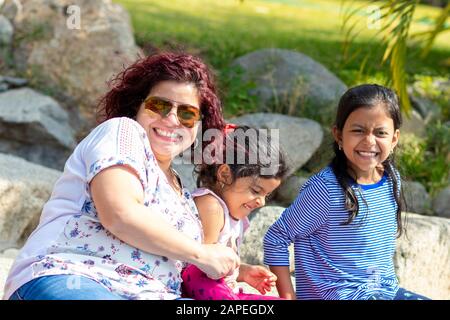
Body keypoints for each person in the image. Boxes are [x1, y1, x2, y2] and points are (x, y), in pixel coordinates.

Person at [4, 52, 239, 300]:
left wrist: (233, 268)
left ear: (199, 123)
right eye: (159, 105)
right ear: (137, 105)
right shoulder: (122, 133)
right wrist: (202, 254)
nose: (171, 119)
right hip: (76, 274)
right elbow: (120, 215)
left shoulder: (183, 197)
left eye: (187, 114)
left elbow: (186, 263)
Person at [263, 84, 430, 300]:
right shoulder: (325, 189)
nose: (369, 141)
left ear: (394, 139)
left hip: (383, 293)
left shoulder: (391, 179)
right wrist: (289, 297)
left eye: (380, 133)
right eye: (358, 130)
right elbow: (276, 237)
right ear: (339, 135)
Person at [181, 124, 288, 300]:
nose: (261, 202)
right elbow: (201, 264)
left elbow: (221, 269)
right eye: (255, 190)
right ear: (224, 175)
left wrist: (244, 272)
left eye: (266, 195)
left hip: (224, 290)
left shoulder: (234, 215)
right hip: (198, 283)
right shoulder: (211, 206)